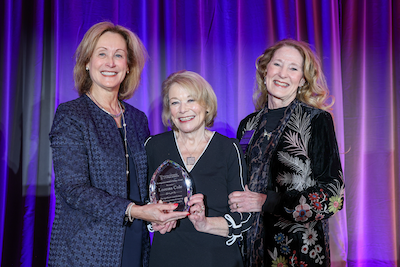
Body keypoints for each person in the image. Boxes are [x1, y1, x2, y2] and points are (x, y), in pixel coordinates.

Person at [48, 22, 188, 267]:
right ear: (87, 63)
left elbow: (147, 182)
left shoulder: (137, 118)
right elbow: (72, 189)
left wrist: (161, 212)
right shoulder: (72, 115)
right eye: (101, 54)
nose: (110, 63)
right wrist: (135, 211)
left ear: (128, 66)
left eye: (118, 55)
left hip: (136, 243)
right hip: (86, 249)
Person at [228, 39, 345, 267]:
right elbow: (238, 182)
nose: (282, 74)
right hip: (250, 250)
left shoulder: (316, 120)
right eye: (277, 64)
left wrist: (268, 201)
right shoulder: (248, 125)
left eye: (293, 68)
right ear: (265, 71)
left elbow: (332, 196)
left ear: (302, 80)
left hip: (297, 250)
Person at [145, 70, 253, 267]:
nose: (183, 109)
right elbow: (142, 202)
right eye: (175, 102)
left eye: (191, 100)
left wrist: (205, 224)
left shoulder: (228, 148)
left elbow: (245, 217)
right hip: (167, 256)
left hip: (217, 258)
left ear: (207, 106)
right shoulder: (153, 147)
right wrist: (153, 221)